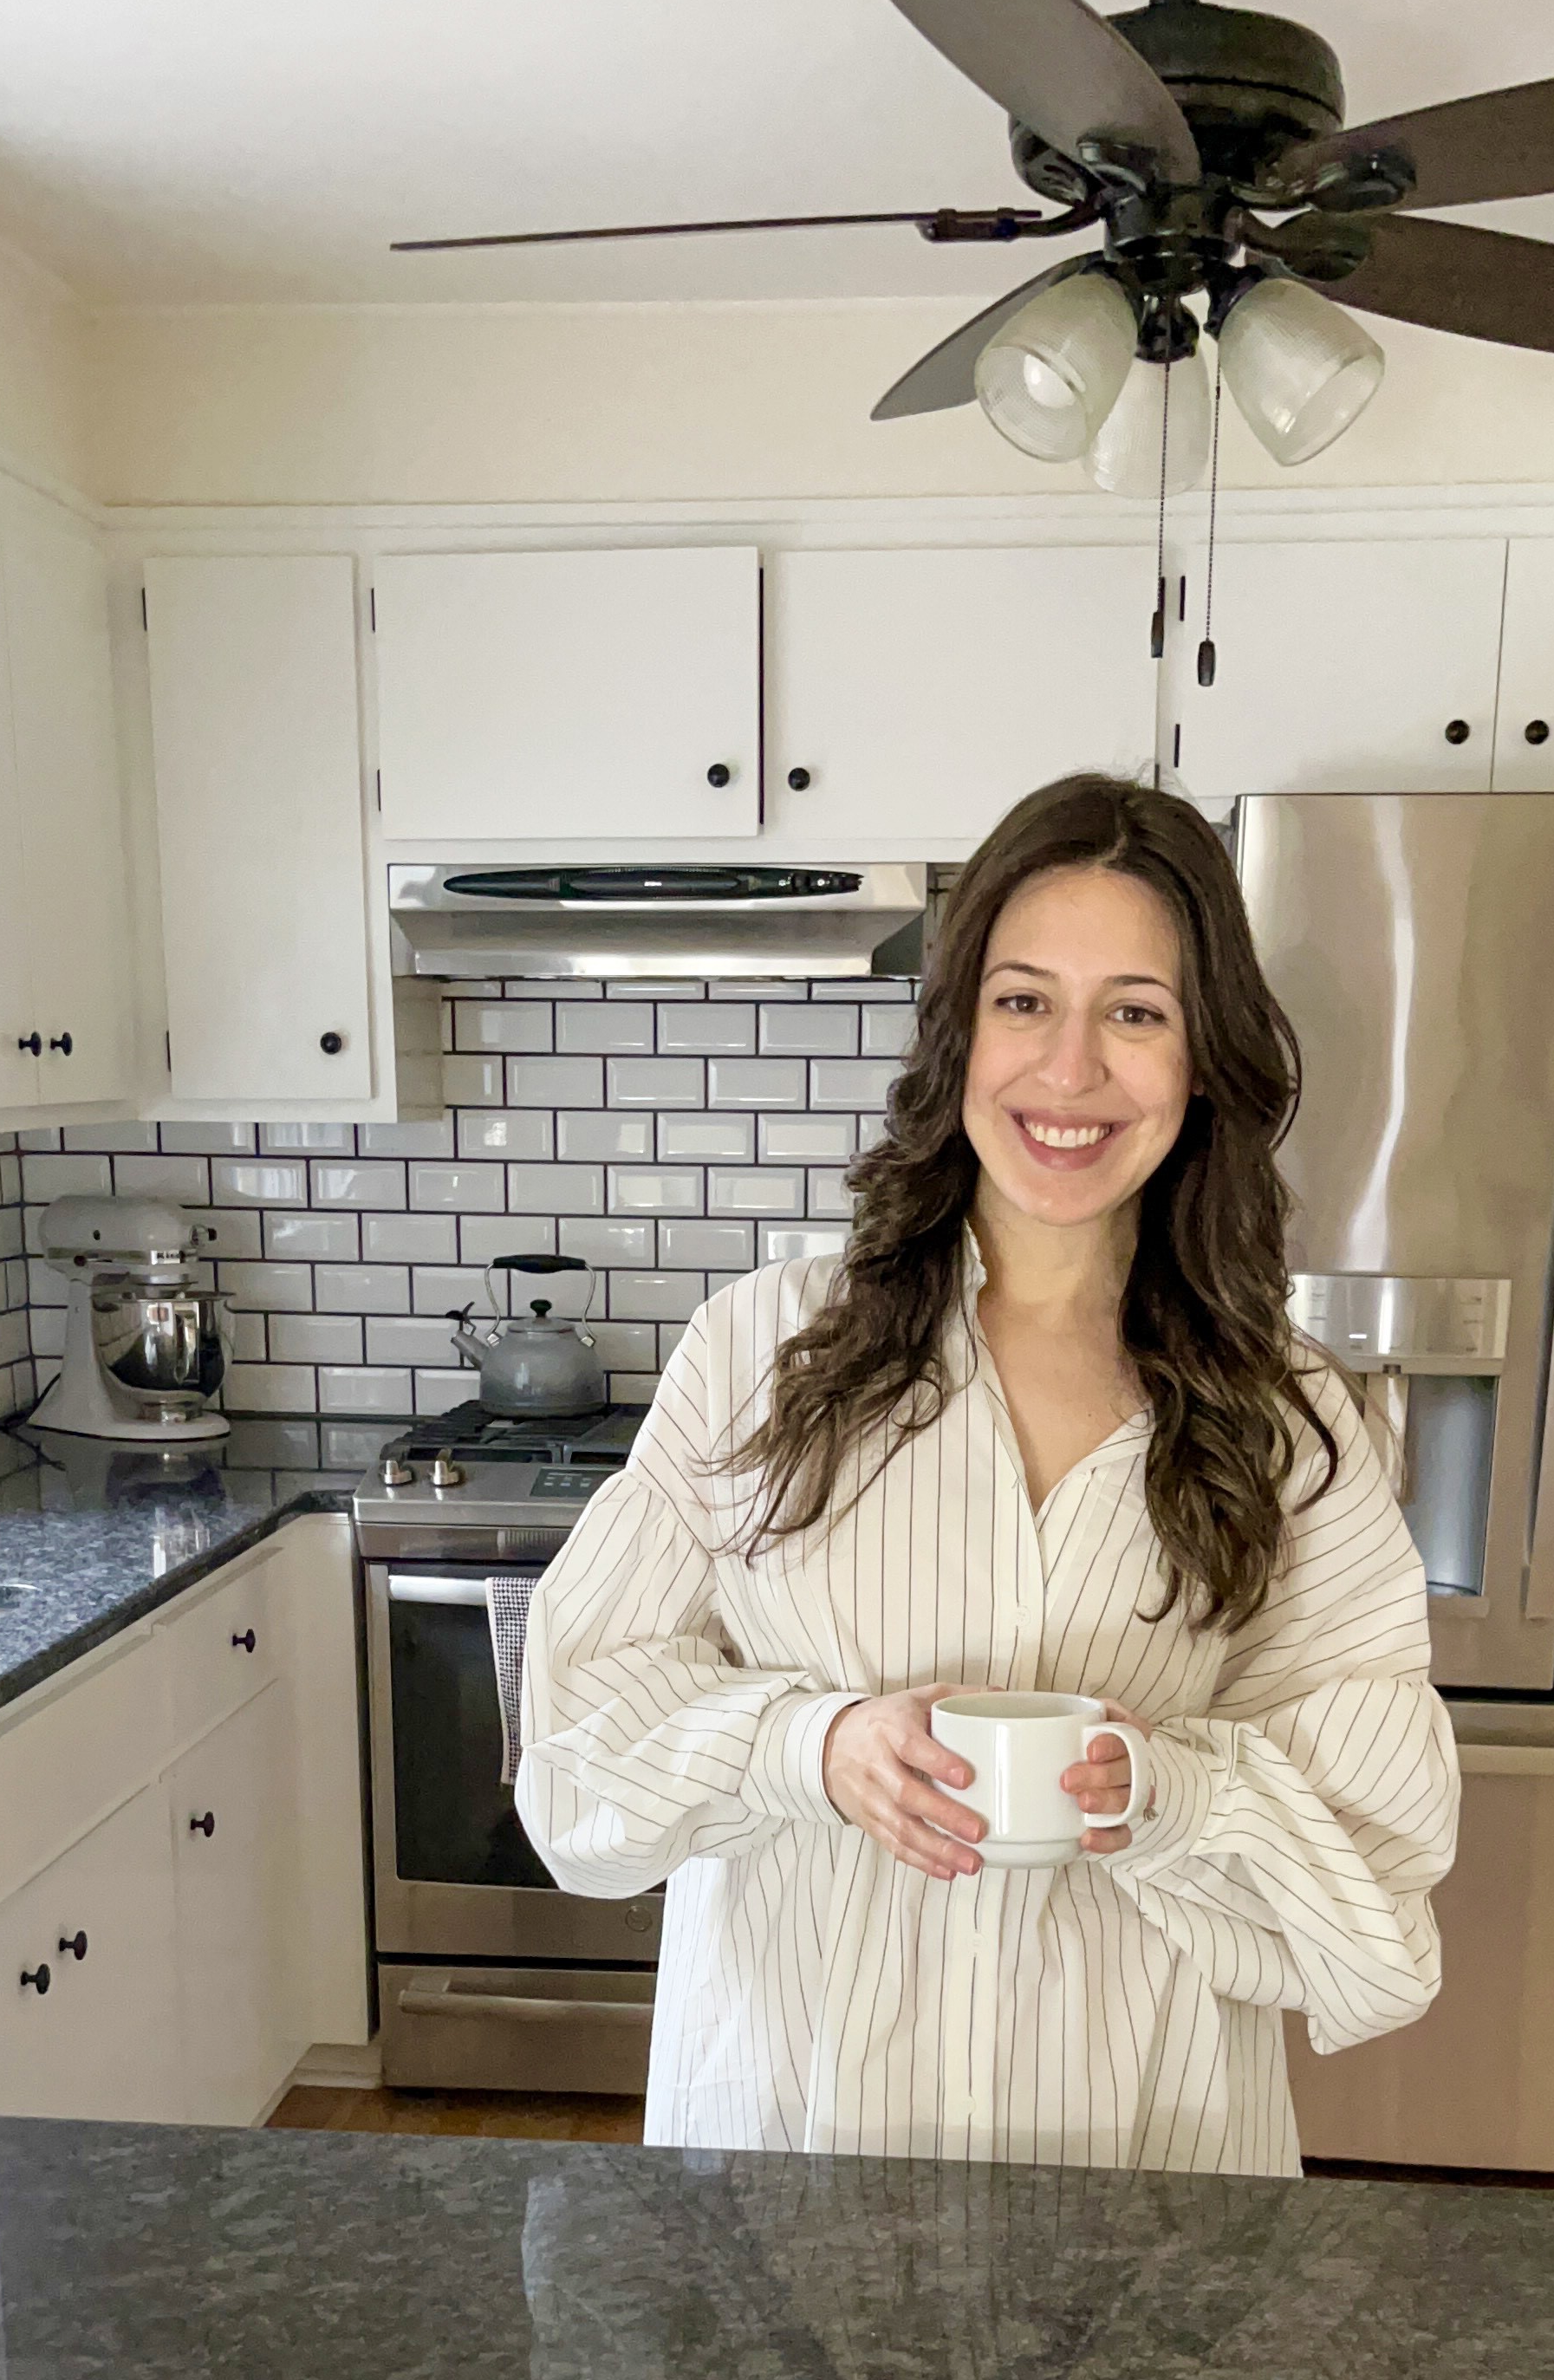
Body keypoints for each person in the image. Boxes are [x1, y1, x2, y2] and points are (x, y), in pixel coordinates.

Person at [513, 771, 1459, 2175]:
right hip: (790, 2166)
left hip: (1143, 2191)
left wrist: (1176, 1799)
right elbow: (579, 1756)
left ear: (1203, 1062)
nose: (1068, 1072)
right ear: (959, 1032)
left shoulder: (1287, 1420)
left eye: (1135, 1012)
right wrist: (809, 1749)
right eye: (1024, 1002)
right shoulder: (763, 1349)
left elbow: (1377, 1881)